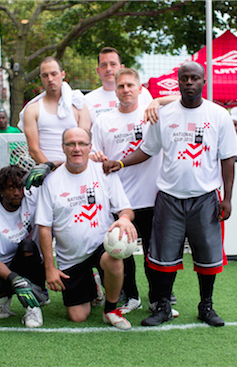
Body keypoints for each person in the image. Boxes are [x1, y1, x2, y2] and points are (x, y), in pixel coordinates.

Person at [103, 61, 237, 327]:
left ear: (204, 82)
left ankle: (206, 306)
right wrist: (120, 163)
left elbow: (228, 159)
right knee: (163, 257)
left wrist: (228, 197)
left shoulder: (219, 115)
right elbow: (149, 150)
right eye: (185, 78)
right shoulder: (163, 115)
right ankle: (163, 306)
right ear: (178, 82)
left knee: (208, 258)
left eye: (195, 78)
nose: (190, 83)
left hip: (205, 198)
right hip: (169, 198)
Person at [35, 127, 137, 330]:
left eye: (82, 143)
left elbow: (126, 209)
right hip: (71, 257)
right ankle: (94, 285)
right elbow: (44, 228)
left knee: (115, 257)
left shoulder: (104, 171)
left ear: (90, 147)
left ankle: (110, 310)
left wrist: (125, 218)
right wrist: (50, 268)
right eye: (71, 144)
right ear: (63, 148)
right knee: (78, 316)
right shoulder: (51, 182)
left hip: (101, 245)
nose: (77, 148)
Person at [89, 68, 163, 315]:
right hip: (119, 203)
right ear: (115, 90)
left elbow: (187, 101)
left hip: (152, 197)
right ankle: (131, 297)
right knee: (122, 252)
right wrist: (95, 156)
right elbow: (94, 157)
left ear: (140, 89)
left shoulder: (152, 113)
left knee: (154, 254)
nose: (126, 90)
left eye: (131, 85)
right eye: (121, 86)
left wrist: (158, 100)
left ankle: (157, 298)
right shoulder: (103, 121)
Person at [0, 165, 49, 328]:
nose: (17, 192)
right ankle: (4, 299)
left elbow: (67, 165)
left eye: (20, 187)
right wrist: (15, 280)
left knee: (28, 246)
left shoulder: (31, 198)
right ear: (1, 190)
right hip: (2, 267)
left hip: (27, 260)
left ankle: (33, 308)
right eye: (11, 188)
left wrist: (48, 166)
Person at [22, 57, 90, 166]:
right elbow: (34, 150)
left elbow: (83, 145)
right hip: (46, 172)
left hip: (76, 170)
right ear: (41, 78)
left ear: (63, 74)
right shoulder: (32, 110)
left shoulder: (79, 106)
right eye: (45, 75)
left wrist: (69, 171)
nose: (50, 79)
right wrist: (52, 171)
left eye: (54, 74)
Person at [85, 47, 153, 125]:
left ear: (122, 68)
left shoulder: (142, 93)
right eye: (103, 65)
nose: (108, 69)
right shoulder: (88, 100)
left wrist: (158, 101)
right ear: (98, 71)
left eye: (113, 64)